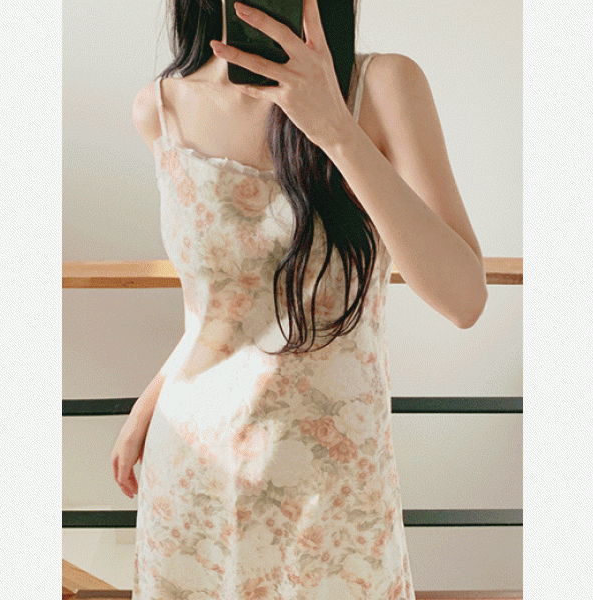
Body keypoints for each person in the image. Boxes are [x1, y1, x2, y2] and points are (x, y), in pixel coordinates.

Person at [111, 0, 487, 598]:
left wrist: (335, 128)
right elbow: (222, 308)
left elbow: (463, 299)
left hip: (335, 502)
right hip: (195, 481)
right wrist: (152, 400)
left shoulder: (384, 86)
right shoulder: (161, 109)